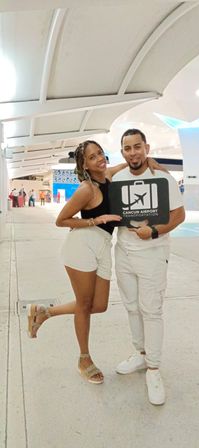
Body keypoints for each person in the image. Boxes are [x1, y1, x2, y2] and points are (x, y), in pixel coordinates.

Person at [26, 140, 163, 385]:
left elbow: (126, 163)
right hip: (82, 245)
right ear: (85, 165)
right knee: (85, 304)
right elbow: (61, 220)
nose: (99, 158)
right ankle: (84, 358)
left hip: (102, 247)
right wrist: (96, 219)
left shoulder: (110, 175)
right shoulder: (86, 189)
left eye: (100, 153)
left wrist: (149, 161)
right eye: (92, 157)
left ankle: (45, 312)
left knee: (99, 305)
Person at [113, 129, 185, 406]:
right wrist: (121, 165)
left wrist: (154, 231)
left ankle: (154, 368)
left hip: (153, 253)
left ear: (147, 148)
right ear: (122, 152)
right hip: (124, 253)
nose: (133, 153)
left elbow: (179, 215)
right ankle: (140, 354)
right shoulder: (117, 178)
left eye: (137, 147)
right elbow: (94, 171)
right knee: (132, 307)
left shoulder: (162, 178)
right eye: (127, 148)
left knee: (151, 309)